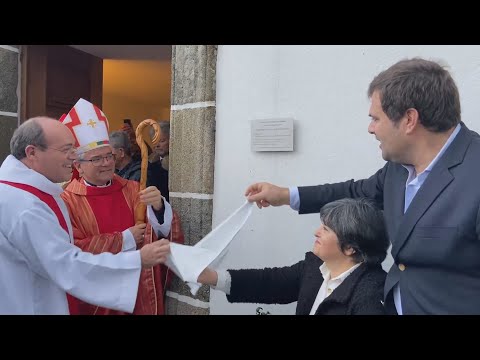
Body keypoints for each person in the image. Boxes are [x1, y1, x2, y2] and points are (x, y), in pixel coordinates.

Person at [245, 57, 480, 315]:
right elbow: (355, 193)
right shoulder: (398, 170)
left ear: (409, 120)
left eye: (375, 118)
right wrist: (285, 195)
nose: (370, 129)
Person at [0, 116, 170, 315]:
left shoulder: (29, 193)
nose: (72, 157)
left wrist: (159, 208)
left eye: (109, 157)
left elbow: (153, 230)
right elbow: (68, 263)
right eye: (66, 150)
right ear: (32, 152)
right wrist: (134, 254)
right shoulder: (28, 203)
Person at [60, 99, 184, 315]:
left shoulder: (134, 189)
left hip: (139, 292)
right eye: (97, 159)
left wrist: (159, 209)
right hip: (98, 300)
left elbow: (163, 236)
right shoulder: (66, 200)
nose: (107, 163)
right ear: (78, 166)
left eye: (109, 156)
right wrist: (125, 239)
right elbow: (73, 251)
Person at [197, 198, 388, 315]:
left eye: (326, 229)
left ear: (350, 248)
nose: (316, 232)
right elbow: (269, 282)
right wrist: (210, 276)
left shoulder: (371, 295)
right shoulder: (315, 267)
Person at [147, 121, 170, 202]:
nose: (157, 145)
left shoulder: (177, 163)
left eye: (162, 141)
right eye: (155, 141)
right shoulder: (149, 162)